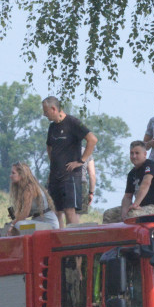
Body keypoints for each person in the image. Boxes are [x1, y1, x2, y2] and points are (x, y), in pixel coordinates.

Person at [43, 96, 97, 226]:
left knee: (69, 210)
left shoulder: (73, 122)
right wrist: (53, 165)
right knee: (55, 211)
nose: (44, 114)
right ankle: (59, 239)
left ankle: (72, 239)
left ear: (54, 109)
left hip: (70, 175)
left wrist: (81, 161)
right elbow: (49, 146)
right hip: (55, 175)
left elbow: (92, 139)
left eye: (45, 111)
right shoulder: (52, 127)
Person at [101, 141, 154, 223]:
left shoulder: (150, 165)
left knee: (133, 215)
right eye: (131, 153)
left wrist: (135, 204)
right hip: (141, 207)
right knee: (109, 215)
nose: (134, 156)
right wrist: (124, 213)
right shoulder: (131, 174)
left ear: (144, 154)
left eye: (137, 153)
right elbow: (127, 197)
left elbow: (146, 183)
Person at [7, 163, 59, 233]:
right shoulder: (25, 188)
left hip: (49, 224)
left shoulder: (29, 188)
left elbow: (25, 213)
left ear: (21, 175)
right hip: (39, 222)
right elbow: (31, 213)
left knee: (18, 225)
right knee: (14, 224)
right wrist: (16, 216)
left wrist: (13, 224)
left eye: (13, 173)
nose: (10, 176)